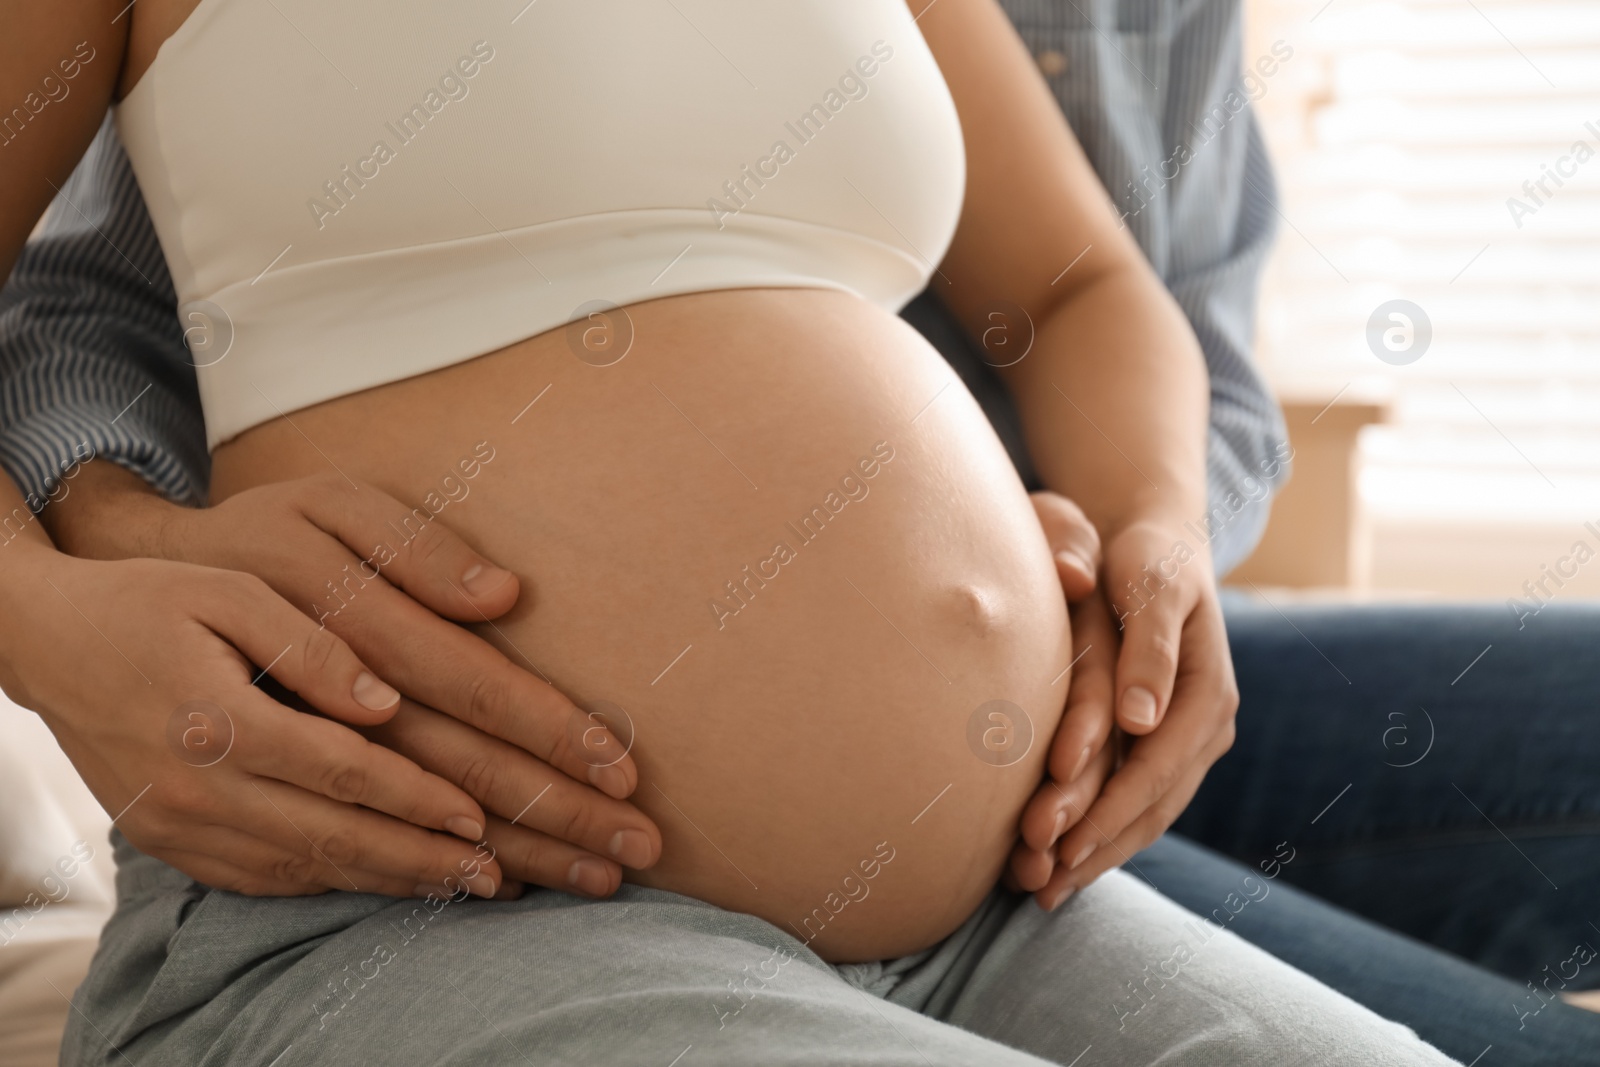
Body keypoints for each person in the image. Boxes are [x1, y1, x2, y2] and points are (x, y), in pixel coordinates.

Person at [0, 2, 1583, 1066]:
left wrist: (1155, 532)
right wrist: (52, 614)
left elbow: (1081, 291)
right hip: (416, 906)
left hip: (994, 901)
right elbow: (70, 312)